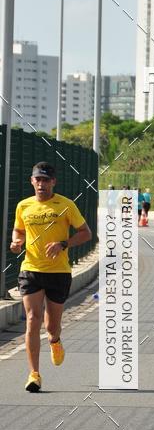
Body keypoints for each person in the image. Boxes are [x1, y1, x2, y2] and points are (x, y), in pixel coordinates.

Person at [10, 162, 92, 392]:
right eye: (38, 179)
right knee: (32, 319)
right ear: (32, 181)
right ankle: (34, 374)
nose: (41, 183)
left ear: (53, 182)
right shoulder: (23, 206)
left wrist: (64, 244)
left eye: (46, 180)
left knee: (52, 326)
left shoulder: (66, 205)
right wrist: (16, 243)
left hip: (58, 272)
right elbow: (18, 230)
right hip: (31, 269)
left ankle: (55, 341)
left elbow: (86, 233)